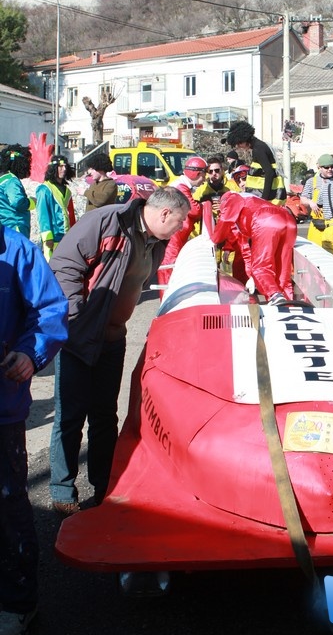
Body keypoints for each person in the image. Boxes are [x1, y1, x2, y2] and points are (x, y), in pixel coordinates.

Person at [48, 188, 190, 516]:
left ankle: (103, 485)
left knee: (104, 414)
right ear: (165, 214)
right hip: (79, 336)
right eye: (179, 222)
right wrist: (75, 317)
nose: (180, 229)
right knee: (70, 416)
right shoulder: (106, 222)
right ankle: (61, 490)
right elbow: (64, 267)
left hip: (113, 339)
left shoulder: (156, 240)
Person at [0, 223, 68, 635]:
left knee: (7, 506)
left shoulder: (17, 250)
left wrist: (30, 351)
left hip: (3, 408)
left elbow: (50, 310)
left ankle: (18, 603)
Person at [211, 192, 297, 305]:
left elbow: (225, 222)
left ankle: (273, 295)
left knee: (260, 268)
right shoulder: (252, 199)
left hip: (266, 220)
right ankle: (288, 304)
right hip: (288, 219)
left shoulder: (232, 197)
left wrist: (214, 239)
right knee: (282, 271)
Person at [159, 156, 207, 287]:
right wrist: (205, 205)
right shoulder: (181, 187)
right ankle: (168, 301)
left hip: (175, 234)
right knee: (169, 267)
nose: (204, 179)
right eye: (203, 175)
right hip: (174, 236)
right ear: (197, 173)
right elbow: (195, 211)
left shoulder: (180, 184)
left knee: (171, 266)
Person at [224, 121, 286, 204]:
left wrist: (263, 200)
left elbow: (269, 172)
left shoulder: (258, 149)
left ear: (243, 140)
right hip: (265, 196)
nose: (239, 147)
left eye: (239, 144)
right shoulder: (260, 146)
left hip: (269, 198)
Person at [35, 155, 76, 261]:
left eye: (65, 166)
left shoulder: (67, 191)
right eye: (60, 166)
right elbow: (43, 215)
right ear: (54, 168)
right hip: (53, 238)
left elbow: (71, 215)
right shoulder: (44, 189)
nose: (64, 169)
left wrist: (74, 233)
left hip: (67, 237)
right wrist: (47, 237)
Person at [300, 153, 333, 245]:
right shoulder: (312, 181)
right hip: (317, 224)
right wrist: (310, 202)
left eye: (332, 167)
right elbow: (303, 199)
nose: (330, 169)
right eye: (327, 167)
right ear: (320, 167)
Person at [0, 145, 34, 239]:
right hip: (15, 227)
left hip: (4, 228)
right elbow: (17, 201)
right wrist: (31, 202)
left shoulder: (2, 180)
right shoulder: (11, 180)